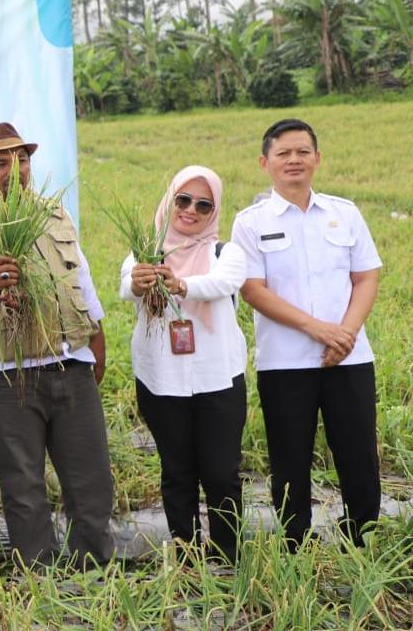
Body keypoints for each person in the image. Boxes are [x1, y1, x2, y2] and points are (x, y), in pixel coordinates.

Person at [0, 122, 114, 569]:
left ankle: (92, 572)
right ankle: (38, 576)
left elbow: (81, 275)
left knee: (91, 479)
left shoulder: (55, 214)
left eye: (21, 160)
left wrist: (96, 335)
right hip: (9, 374)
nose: (14, 169)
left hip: (69, 362)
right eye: (1, 162)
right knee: (22, 484)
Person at [231, 119, 382, 550]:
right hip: (285, 362)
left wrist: (345, 334)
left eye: (302, 152)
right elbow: (253, 289)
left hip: (349, 358)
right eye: (283, 153)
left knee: (358, 453)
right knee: (289, 456)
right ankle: (295, 541)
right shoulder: (250, 223)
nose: (294, 160)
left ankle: (362, 538)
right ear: (265, 163)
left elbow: (366, 277)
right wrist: (318, 330)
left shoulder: (345, 213)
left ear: (317, 159)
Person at [118, 166, 247, 563]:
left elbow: (224, 283)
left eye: (203, 205)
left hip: (218, 379)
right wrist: (141, 281)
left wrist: (182, 284)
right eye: (183, 200)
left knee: (222, 472)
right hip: (162, 380)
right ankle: (186, 554)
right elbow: (126, 287)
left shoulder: (225, 253)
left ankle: (228, 555)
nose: (191, 210)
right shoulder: (143, 255)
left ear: (214, 211)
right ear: (170, 200)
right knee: (177, 470)